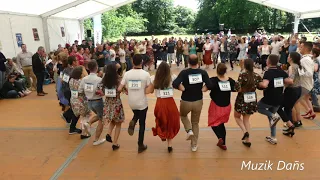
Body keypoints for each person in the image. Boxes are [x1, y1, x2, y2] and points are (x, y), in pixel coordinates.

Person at [172, 54, 213, 152]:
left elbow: (175, 83)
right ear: (198, 61)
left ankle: (189, 130)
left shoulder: (184, 73)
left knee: (183, 116)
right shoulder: (202, 72)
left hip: (186, 100)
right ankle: (194, 145)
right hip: (198, 101)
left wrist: (182, 88)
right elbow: (210, 85)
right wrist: (203, 89)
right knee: (195, 122)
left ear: (188, 62)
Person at [118, 54, 150, 153]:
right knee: (142, 124)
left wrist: (126, 89)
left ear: (132, 62)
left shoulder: (127, 74)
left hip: (131, 102)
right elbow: (149, 88)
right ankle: (140, 144)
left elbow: (119, 88)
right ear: (142, 62)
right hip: (142, 102)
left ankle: (133, 120)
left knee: (136, 113)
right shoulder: (145, 74)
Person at [257, 54, 292, 145]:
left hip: (269, 98)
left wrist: (259, 83)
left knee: (258, 107)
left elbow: (264, 85)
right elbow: (290, 81)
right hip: (279, 98)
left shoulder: (268, 73)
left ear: (268, 61)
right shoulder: (281, 71)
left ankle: (274, 116)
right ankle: (273, 137)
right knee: (271, 118)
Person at [146, 62, 180, 153]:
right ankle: (170, 144)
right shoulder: (172, 77)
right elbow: (181, 87)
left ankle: (162, 134)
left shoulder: (154, 78)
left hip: (160, 102)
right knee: (171, 122)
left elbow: (149, 90)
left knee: (161, 120)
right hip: (170, 103)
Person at [202, 63, 236, 150]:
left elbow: (204, 89)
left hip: (216, 106)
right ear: (225, 71)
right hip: (227, 106)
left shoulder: (213, 80)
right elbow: (237, 88)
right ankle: (223, 143)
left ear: (217, 71)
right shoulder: (230, 81)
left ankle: (220, 137)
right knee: (221, 124)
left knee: (213, 123)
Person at [234, 59, 262, 147]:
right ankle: (248, 139)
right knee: (246, 119)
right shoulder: (256, 76)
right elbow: (260, 86)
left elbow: (237, 88)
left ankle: (245, 132)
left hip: (242, 98)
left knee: (237, 116)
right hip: (252, 98)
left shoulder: (242, 75)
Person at [79, 60, 105, 145]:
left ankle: (88, 123)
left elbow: (80, 91)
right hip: (98, 101)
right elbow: (102, 91)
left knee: (100, 115)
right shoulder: (99, 79)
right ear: (96, 67)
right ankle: (96, 139)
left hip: (89, 102)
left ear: (88, 68)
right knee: (102, 119)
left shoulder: (84, 79)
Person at [277, 52, 302, 137]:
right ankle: (290, 127)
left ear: (291, 58)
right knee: (288, 108)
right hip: (298, 89)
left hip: (292, 90)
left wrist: (280, 81)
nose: (287, 57)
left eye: (288, 56)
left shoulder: (292, 67)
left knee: (278, 107)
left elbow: (291, 80)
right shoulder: (298, 66)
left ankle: (290, 125)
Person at [101, 64, 125, 151]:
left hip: (108, 103)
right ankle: (115, 143)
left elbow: (100, 90)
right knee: (118, 123)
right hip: (116, 103)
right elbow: (124, 89)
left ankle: (108, 133)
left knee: (113, 120)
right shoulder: (118, 79)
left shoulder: (104, 80)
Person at [295, 42, 314, 125]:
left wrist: (299, 72)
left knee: (294, 102)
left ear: (306, 48)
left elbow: (309, 73)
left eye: (301, 47)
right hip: (305, 84)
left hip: (304, 84)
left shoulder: (305, 59)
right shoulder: (306, 58)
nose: (299, 48)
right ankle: (310, 111)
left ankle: (297, 120)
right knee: (303, 99)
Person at [69, 66, 91, 139]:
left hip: (73, 100)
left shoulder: (71, 80)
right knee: (86, 115)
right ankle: (84, 132)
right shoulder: (81, 81)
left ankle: (76, 128)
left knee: (78, 115)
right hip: (81, 101)